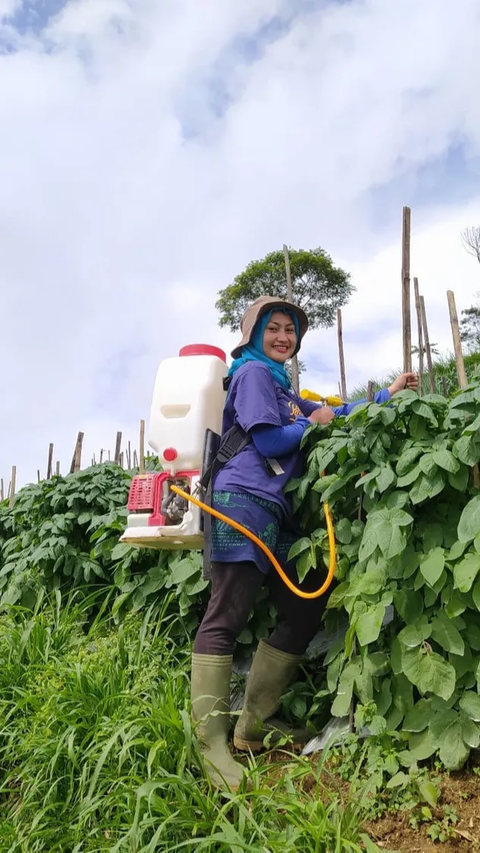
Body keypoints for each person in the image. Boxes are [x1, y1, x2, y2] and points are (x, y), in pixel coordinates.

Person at [191, 295, 418, 790]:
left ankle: (253, 726)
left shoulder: (281, 386)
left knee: (303, 608)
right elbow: (272, 441)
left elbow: (333, 413)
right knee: (226, 615)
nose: (283, 337)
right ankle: (210, 745)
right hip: (239, 501)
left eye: (289, 331)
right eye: (273, 328)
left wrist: (387, 396)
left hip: (274, 510)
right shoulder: (251, 376)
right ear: (253, 335)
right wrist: (306, 424)